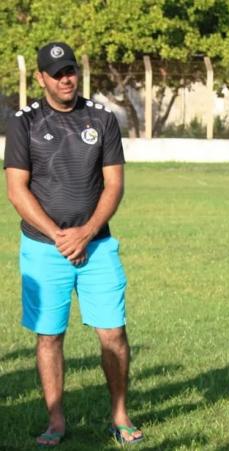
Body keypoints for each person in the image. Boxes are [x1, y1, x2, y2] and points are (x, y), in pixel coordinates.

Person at [3, 42, 142, 446]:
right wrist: (58, 234)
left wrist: (86, 231)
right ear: (42, 78)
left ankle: (119, 414)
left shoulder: (102, 118)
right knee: (49, 336)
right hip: (44, 248)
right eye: (57, 72)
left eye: (71, 71)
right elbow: (16, 189)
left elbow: (114, 184)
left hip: (97, 245)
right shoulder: (23, 122)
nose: (66, 79)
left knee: (113, 333)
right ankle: (56, 421)